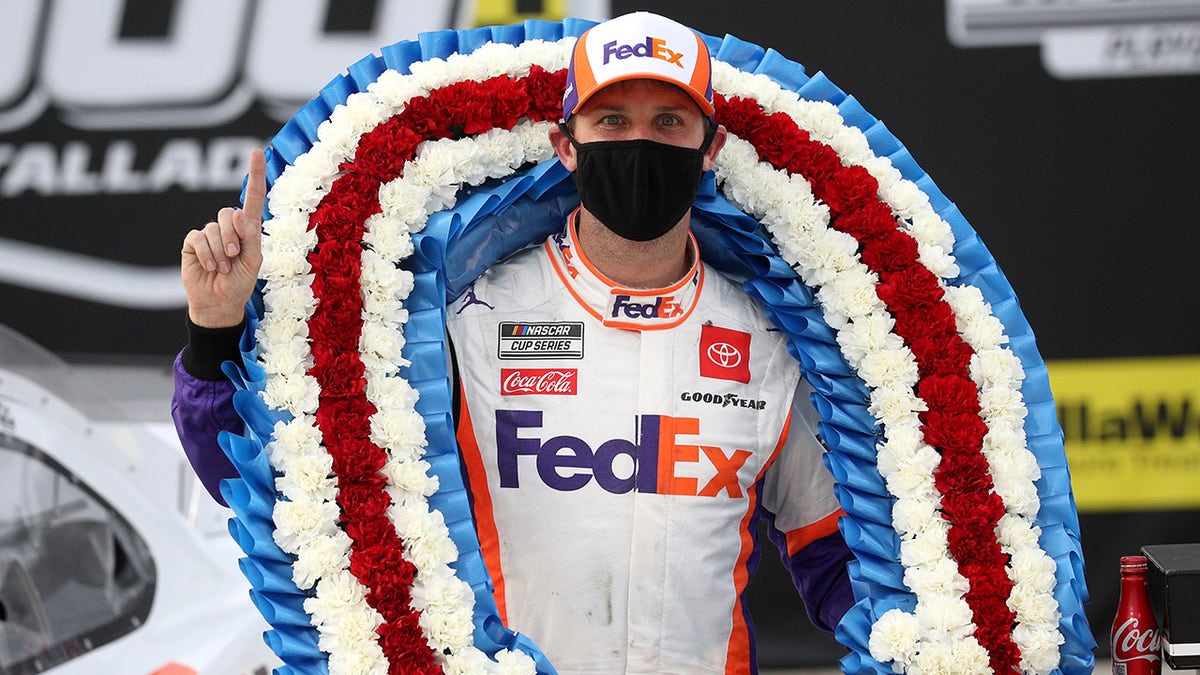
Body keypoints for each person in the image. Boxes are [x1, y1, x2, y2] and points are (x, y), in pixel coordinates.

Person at [172, 11, 856, 674]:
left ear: (710, 150)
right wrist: (214, 332)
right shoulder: (471, 313)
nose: (638, 142)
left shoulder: (767, 339)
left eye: (668, 122)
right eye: (612, 120)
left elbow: (836, 559)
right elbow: (290, 482)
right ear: (565, 145)